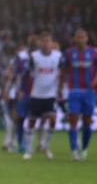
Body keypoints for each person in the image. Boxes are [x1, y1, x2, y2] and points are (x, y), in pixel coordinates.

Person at [23, 31, 63, 160]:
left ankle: (46, 146)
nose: (46, 44)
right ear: (39, 43)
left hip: (50, 94)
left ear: (52, 44)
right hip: (36, 94)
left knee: (52, 120)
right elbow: (28, 74)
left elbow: (62, 72)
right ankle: (28, 150)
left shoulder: (58, 57)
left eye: (48, 41)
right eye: (43, 41)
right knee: (32, 122)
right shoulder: (34, 57)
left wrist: (61, 88)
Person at [60, 28, 97, 161]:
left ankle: (85, 148)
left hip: (89, 92)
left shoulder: (93, 53)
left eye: (82, 37)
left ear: (87, 39)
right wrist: (60, 88)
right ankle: (74, 150)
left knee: (87, 123)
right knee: (73, 121)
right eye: (78, 37)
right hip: (74, 91)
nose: (80, 39)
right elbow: (63, 71)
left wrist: (95, 80)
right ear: (74, 39)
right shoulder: (69, 53)